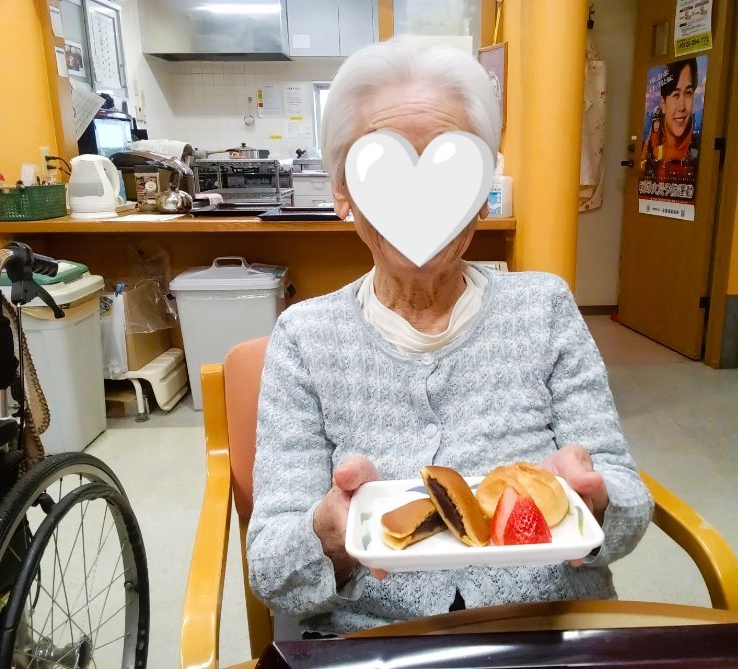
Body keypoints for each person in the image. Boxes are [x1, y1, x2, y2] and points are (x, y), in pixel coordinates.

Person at [248, 36, 653, 636]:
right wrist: (330, 533)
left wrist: (593, 502)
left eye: (448, 172)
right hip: (378, 639)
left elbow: (628, 498)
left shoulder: (544, 307)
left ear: (483, 193)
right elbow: (271, 567)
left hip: (550, 626)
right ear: (342, 193)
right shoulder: (305, 338)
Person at [656, 58, 700, 181]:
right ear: (663, 104)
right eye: (675, 94)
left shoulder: (699, 149)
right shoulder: (651, 147)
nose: (682, 107)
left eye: (688, 93)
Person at [640, 106, 664, 177]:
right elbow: (642, 161)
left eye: (658, 122)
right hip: (649, 175)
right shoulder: (648, 141)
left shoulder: (665, 141)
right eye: (655, 122)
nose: (656, 124)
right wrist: (647, 164)